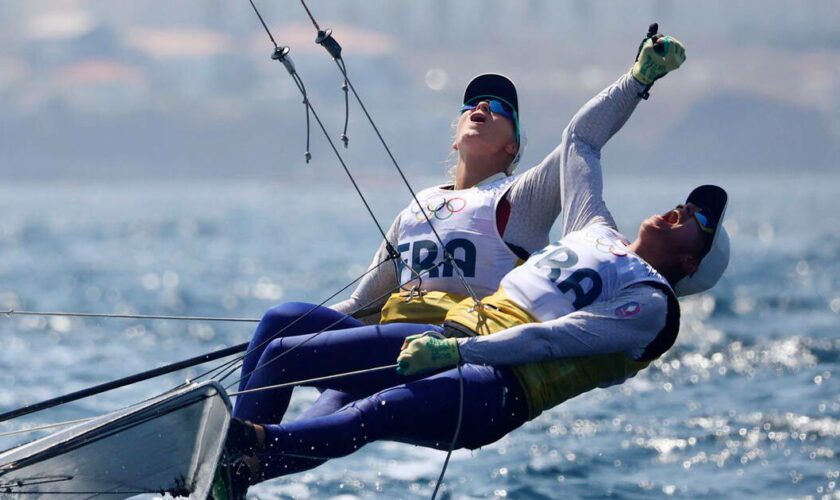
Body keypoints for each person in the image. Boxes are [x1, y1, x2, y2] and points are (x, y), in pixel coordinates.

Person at [216, 30, 718, 498]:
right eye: (472, 104)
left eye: (499, 109)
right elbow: (364, 304)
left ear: (513, 147)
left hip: (480, 367)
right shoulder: (590, 229)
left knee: (361, 413)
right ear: (453, 133)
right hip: (426, 340)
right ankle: (226, 463)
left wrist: (635, 86)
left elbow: (555, 334)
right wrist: (639, 76)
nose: (482, 107)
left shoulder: (526, 203)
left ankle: (233, 451)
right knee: (281, 334)